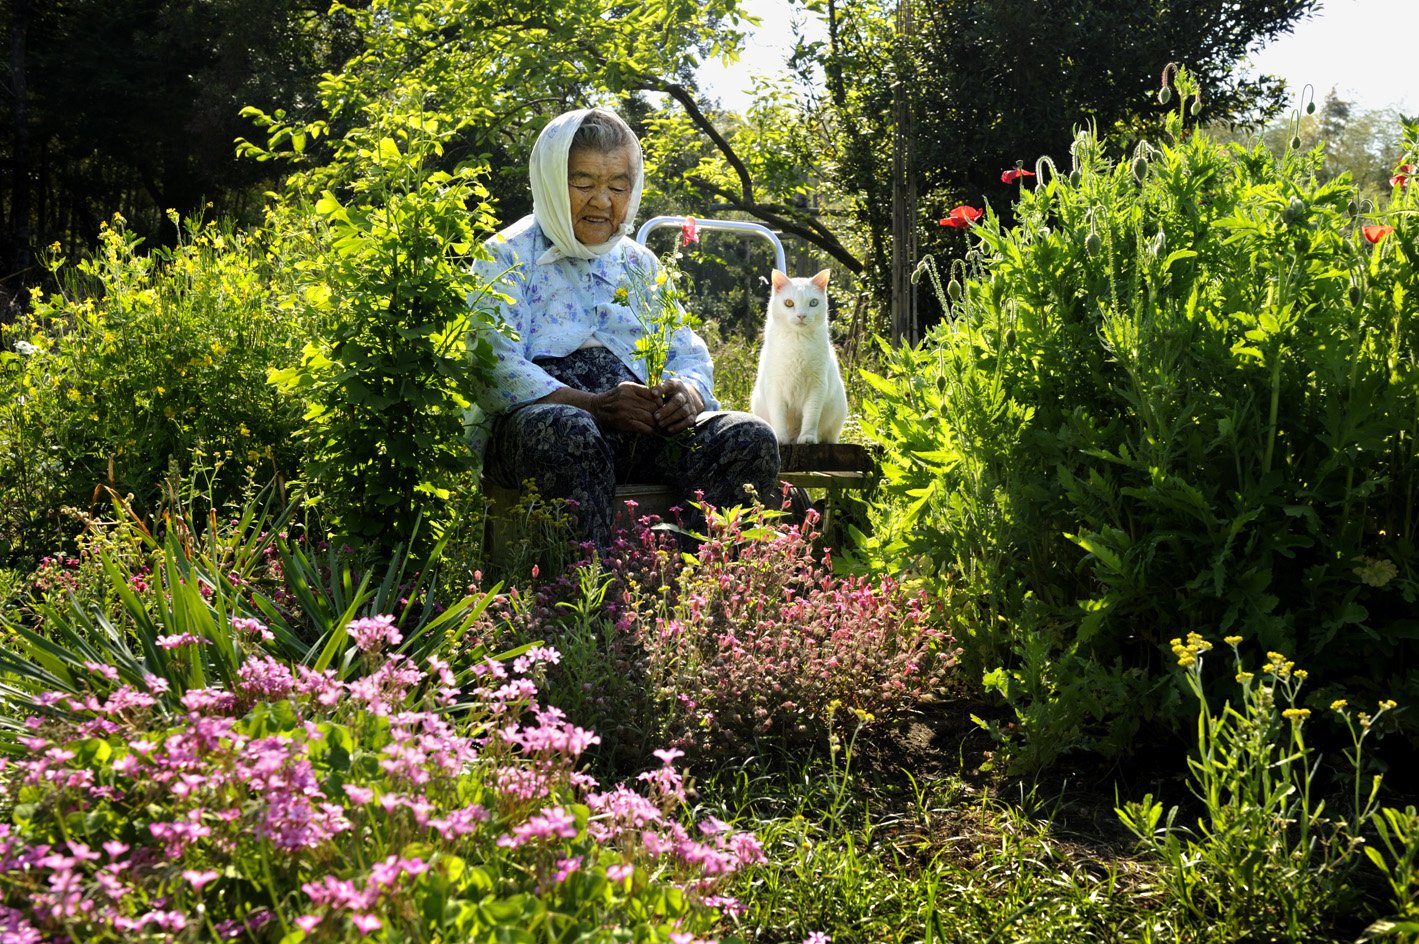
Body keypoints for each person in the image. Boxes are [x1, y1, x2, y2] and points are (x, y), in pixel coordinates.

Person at [469, 107, 781, 548]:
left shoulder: (640, 263)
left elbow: (687, 354)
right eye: (583, 183)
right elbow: (493, 364)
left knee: (747, 436)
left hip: (645, 434)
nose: (602, 201)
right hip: (549, 434)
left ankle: (701, 596)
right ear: (551, 181)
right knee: (566, 431)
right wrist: (593, 406)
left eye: (617, 186)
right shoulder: (506, 256)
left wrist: (686, 395)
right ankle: (584, 598)